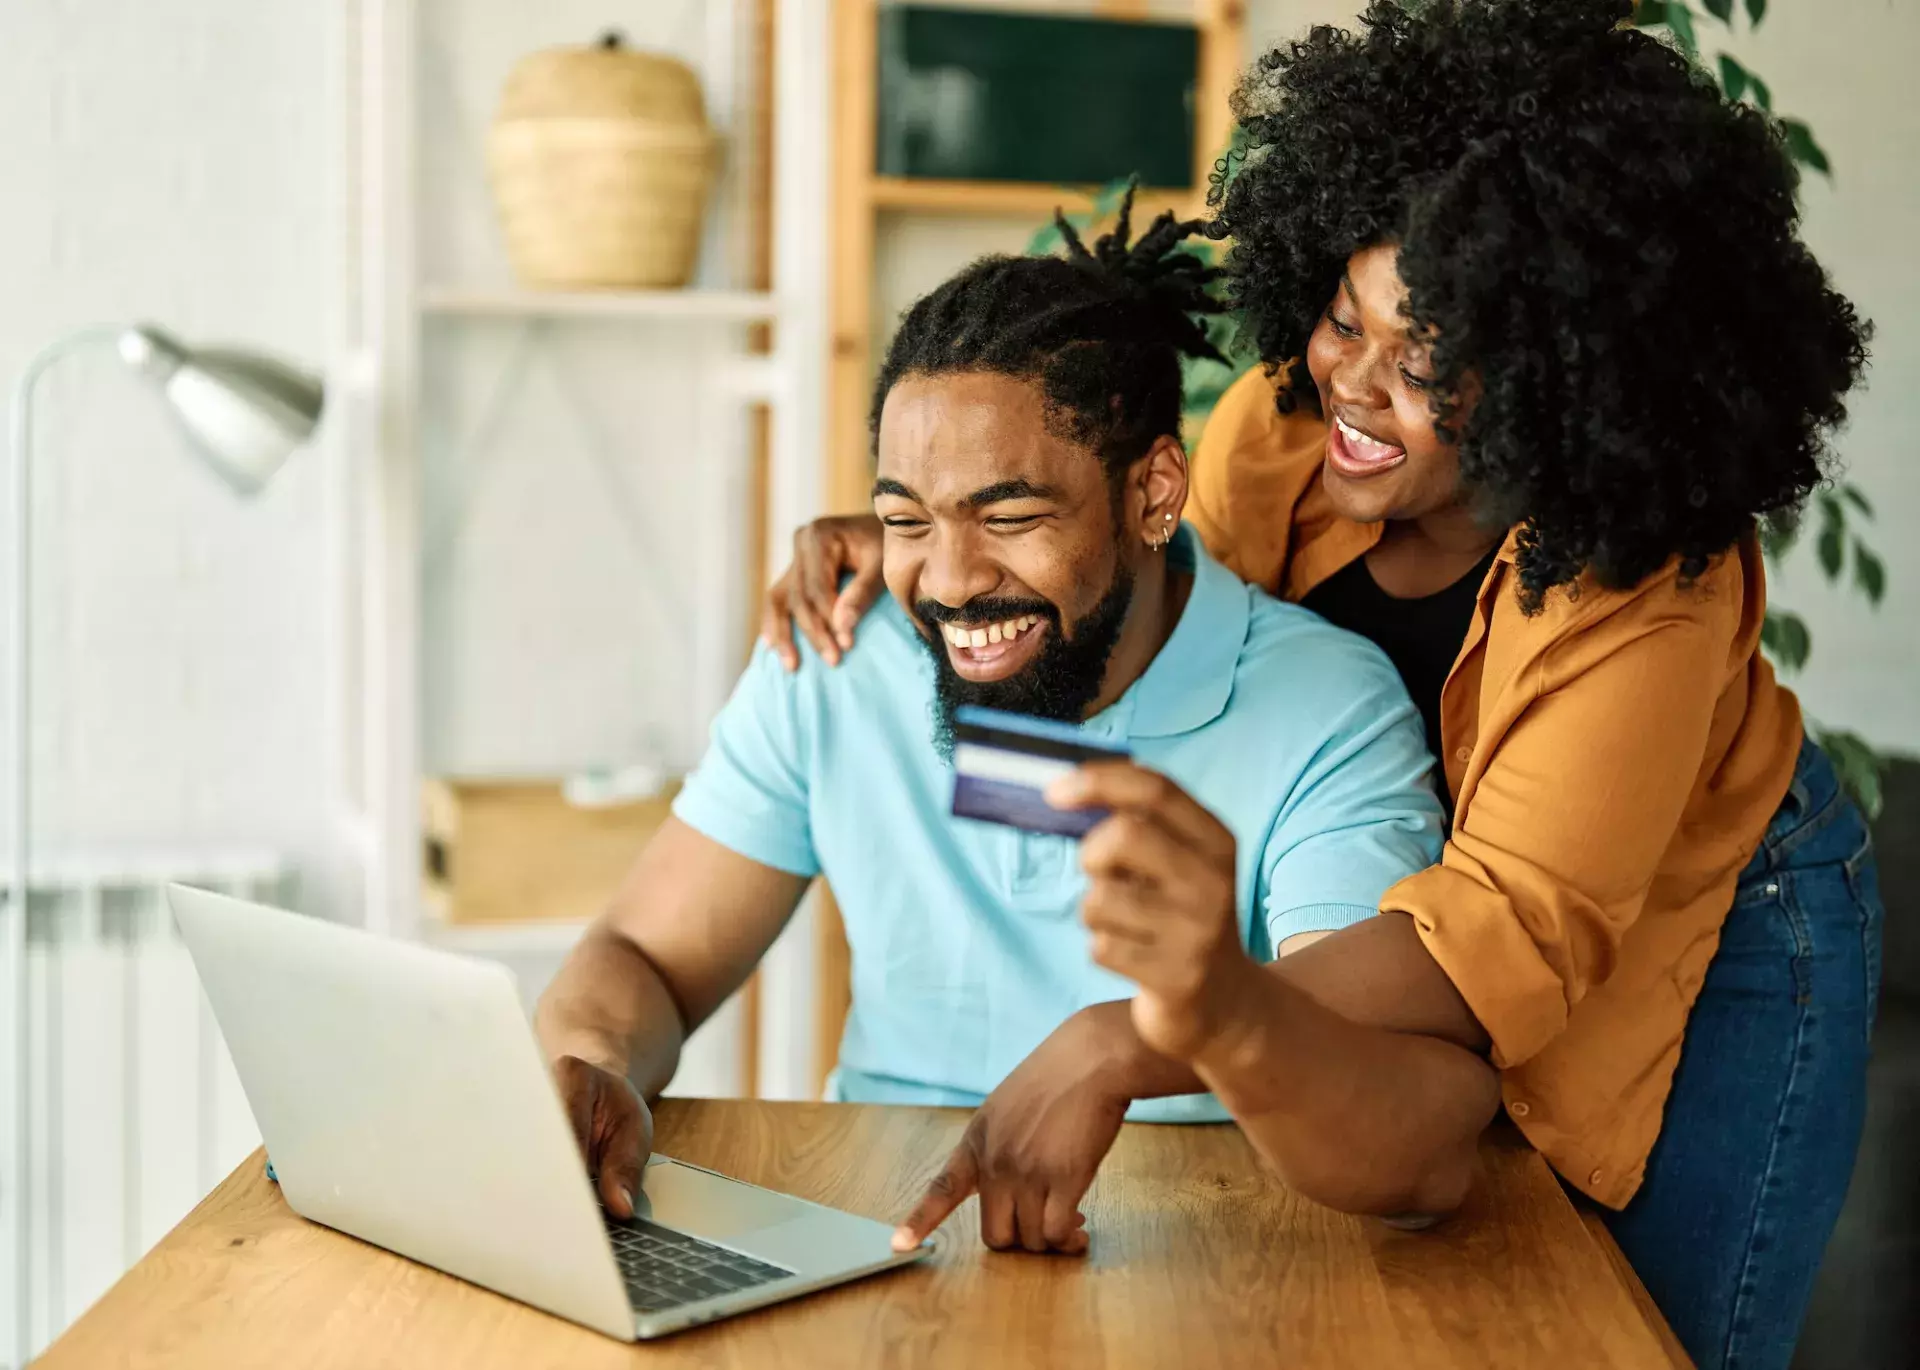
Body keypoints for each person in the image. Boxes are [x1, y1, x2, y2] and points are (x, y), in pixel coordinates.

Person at [759, 3, 1883, 1367]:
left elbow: (1494, 940)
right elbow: (1163, 630)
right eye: (1346, 317)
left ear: (1558, 377)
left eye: (1422, 363)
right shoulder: (1280, 434)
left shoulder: (1651, 587)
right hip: (1442, 894)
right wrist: (933, 544)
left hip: (1707, 924)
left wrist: (1136, 1032)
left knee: (1635, 1333)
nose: (1350, 382)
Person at [535, 206, 1450, 1257]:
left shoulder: (1325, 707)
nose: (952, 581)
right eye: (908, 519)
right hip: (876, 1237)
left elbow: (1414, 1149)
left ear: (1154, 492)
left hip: (1203, 1250)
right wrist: (596, 1062)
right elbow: (643, 951)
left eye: (1010, 518)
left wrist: (1206, 1015)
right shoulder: (844, 651)